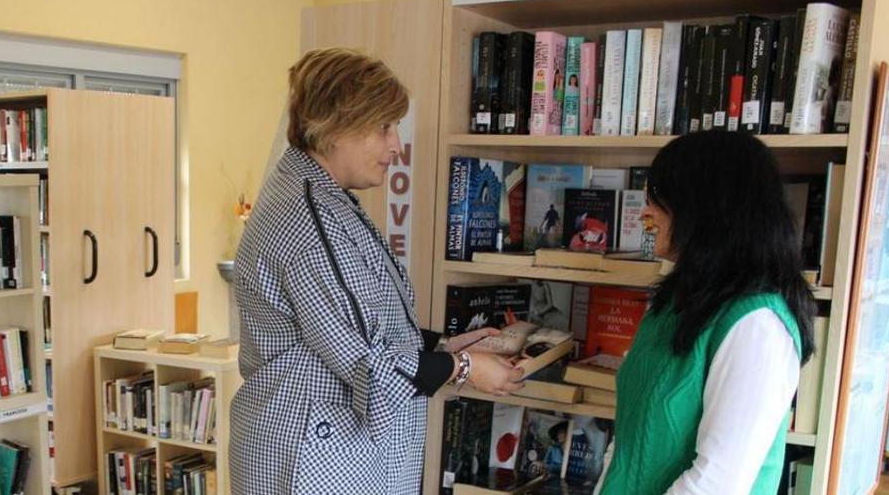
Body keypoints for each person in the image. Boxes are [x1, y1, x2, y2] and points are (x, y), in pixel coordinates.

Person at [229, 47, 526, 494]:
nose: (395, 146)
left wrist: (444, 345)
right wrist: (463, 368)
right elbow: (370, 365)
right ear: (334, 127)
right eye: (383, 127)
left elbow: (356, 322)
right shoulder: (309, 220)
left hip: (322, 449)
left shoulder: (322, 198)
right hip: (311, 460)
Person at [597, 131, 817, 494]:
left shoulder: (758, 325)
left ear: (705, 208)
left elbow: (717, 483)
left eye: (659, 200)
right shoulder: (676, 304)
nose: (646, 212)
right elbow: (629, 444)